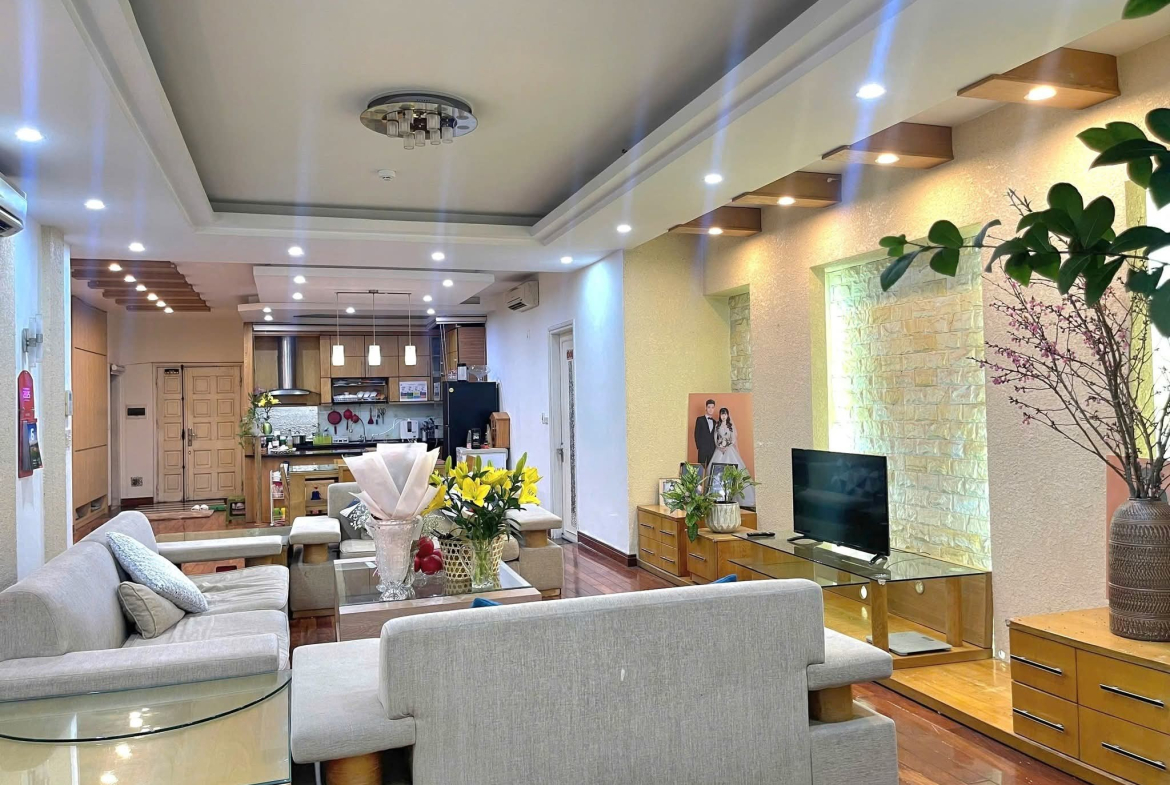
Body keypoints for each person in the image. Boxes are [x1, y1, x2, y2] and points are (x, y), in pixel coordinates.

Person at [711, 407, 754, 505]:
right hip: (719, 450)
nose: (723, 416)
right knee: (717, 471)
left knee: (733, 470)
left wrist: (727, 445)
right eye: (722, 414)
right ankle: (718, 495)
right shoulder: (717, 425)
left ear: (727, 415)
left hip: (729, 450)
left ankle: (732, 496)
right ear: (720, 415)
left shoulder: (730, 425)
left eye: (725, 414)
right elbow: (715, 437)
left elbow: (733, 439)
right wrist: (719, 446)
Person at [693, 399, 717, 468]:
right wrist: (699, 446)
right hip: (702, 448)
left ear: (714, 409)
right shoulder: (700, 419)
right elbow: (696, 433)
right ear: (706, 408)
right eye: (709, 407)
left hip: (712, 449)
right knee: (701, 467)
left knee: (710, 468)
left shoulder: (715, 422)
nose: (710, 409)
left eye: (712, 407)